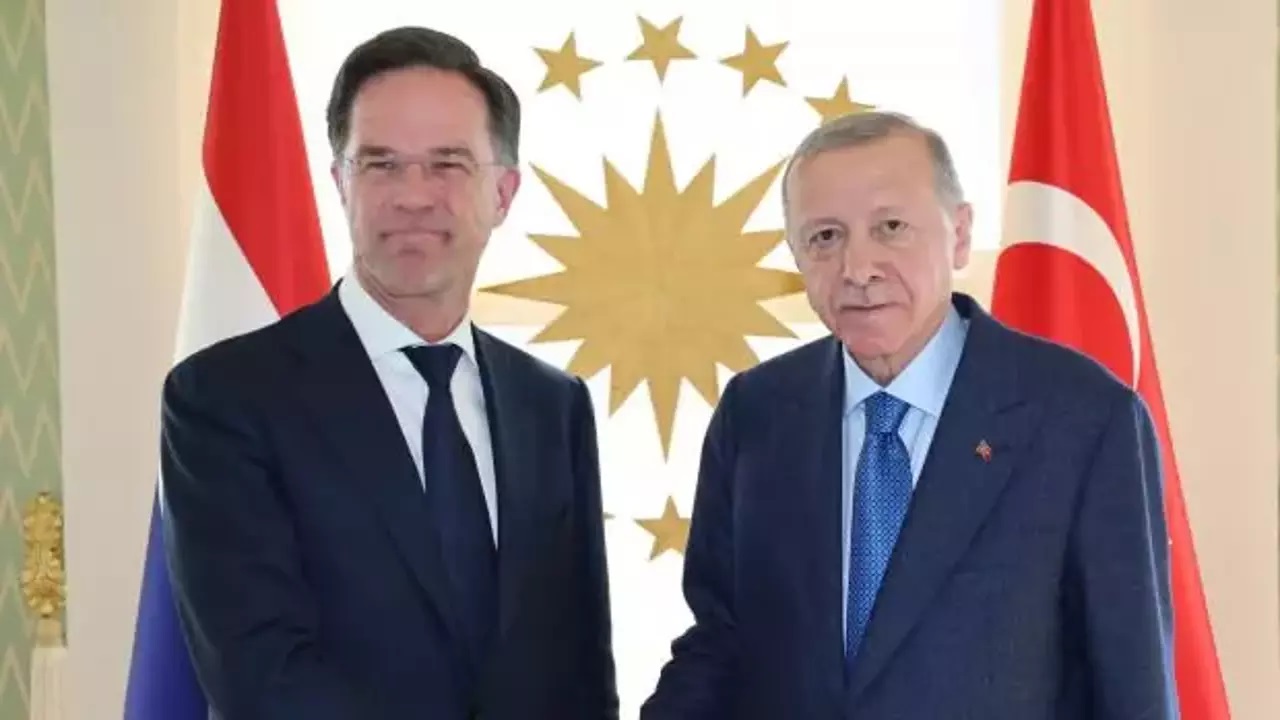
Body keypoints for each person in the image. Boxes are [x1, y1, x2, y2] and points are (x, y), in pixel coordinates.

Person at [640, 111, 1177, 718]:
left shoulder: (1084, 418)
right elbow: (721, 643)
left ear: (960, 235)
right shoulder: (756, 412)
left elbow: (1131, 684)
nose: (857, 269)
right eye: (825, 237)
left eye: (890, 227)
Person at [159, 26, 617, 720]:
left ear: (503, 193)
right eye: (381, 165)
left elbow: (580, 665)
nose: (413, 196)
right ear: (340, 184)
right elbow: (261, 677)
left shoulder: (552, 404)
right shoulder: (225, 398)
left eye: (447, 164)